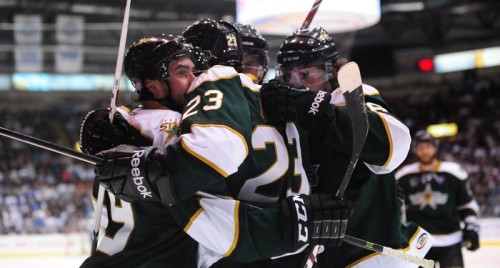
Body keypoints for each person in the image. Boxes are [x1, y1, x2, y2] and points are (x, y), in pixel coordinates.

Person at [82, 25, 351, 267]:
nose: (194, 81)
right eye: (184, 72)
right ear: (153, 85)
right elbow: (216, 221)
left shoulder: (126, 121)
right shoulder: (180, 129)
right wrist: (293, 226)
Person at [260, 27, 433, 267]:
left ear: (330, 71)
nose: (298, 84)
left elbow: (395, 144)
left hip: (369, 256)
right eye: (288, 76)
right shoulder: (289, 116)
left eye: (307, 74)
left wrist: (318, 111)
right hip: (320, 256)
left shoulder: (349, 97)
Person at [395, 130, 480, 268]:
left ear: (435, 148)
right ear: (415, 150)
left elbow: (466, 205)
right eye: (420, 148)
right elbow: (397, 208)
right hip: (418, 241)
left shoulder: (453, 173)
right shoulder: (403, 176)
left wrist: (472, 227)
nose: (424, 151)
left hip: (450, 240)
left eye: (428, 147)